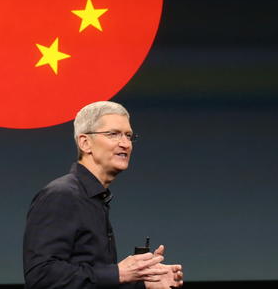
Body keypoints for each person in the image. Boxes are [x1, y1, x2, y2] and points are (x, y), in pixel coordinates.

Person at [23, 101, 183, 289]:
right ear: (85, 143)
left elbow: (93, 281)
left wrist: (142, 282)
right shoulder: (61, 195)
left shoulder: (96, 198)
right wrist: (119, 273)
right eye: (113, 134)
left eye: (128, 136)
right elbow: (40, 276)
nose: (125, 144)